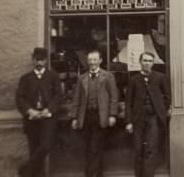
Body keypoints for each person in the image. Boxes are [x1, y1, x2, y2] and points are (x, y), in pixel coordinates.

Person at [15, 47, 62, 177]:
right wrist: (30, 110)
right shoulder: (25, 78)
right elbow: (19, 97)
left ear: (46, 61)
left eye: (42, 60)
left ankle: (27, 169)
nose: (39, 63)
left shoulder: (53, 76)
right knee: (33, 148)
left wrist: (49, 109)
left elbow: (58, 95)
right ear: (33, 60)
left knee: (46, 146)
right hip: (32, 119)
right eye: (37, 60)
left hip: (48, 118)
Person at [71, 50, 119, 177]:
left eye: (95, 60)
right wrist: (74, 117)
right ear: (87, 61)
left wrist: (112, 115)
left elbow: (114, 97)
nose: (92, 62)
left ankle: (93, 174)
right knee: (88, 147)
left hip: (101, 116)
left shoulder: (108, 76)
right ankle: (94, 173)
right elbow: (77, 98)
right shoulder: (82, 78)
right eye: (90, 60)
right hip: (85, 116)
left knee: (95, 147)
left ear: (100, 61)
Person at [126, 52, 172, 177]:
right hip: (138, 119)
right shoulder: (133, 80)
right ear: (140, 62)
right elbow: (128, 102)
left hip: (154, 118)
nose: (147, 63)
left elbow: (168, 97)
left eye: (149, 61)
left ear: (153, 63)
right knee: (138, 149)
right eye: (145, 61)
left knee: (151, 149)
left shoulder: (160, 77)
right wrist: (129, 121)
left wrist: (163, 111)